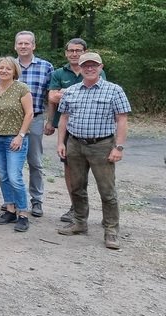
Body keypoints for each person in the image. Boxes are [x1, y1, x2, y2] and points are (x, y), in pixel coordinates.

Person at [56, 52, 130, 250]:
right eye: (85, 65)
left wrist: (119, 147)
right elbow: (64, 117)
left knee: (107, 191)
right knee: (77, 187)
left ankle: (111, 230)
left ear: (101, 67)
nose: (89, 68)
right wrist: (61, 143)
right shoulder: (71, 91)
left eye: (93, 65)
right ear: (79, 68)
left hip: (102, 146)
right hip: (75, 145)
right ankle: (80, 223)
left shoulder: (114, 91)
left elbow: (122, 119)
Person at [48, 38, 105, 223]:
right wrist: (51, 121)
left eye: (78, 50)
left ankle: (108, 215)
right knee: (70, 170)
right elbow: (52, 97)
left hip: (94, 132)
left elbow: (101, 95)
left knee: (101, 174)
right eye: (71, 50)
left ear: (85, 52)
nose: (74, 53)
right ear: (66, 53)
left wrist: (65, 93)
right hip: (68, 130)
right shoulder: (58, 72)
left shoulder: (94, 70)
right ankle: (75, 207)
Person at [0, 57, 34, 232]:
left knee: (14, 177)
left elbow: (29, 114)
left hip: (14, 139)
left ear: (14, 71)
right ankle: (10, 209)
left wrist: (20, 136)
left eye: (8, 69)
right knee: (3, 176)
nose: (4, 71)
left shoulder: (22, 89)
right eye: (1, 68)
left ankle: (23, 213)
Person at [15, 31, 54, 218]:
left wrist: (50, 120)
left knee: (35, 162)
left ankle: (36, 200)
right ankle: (13, 199)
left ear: (33, 46)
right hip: (12, 122)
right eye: (20, 43)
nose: (23, 46)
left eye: (27, 43)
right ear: (15, 46)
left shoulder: (46, 67)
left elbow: (51, 96)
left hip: (36, 119)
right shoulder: (9, 66)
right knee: (13, 163)